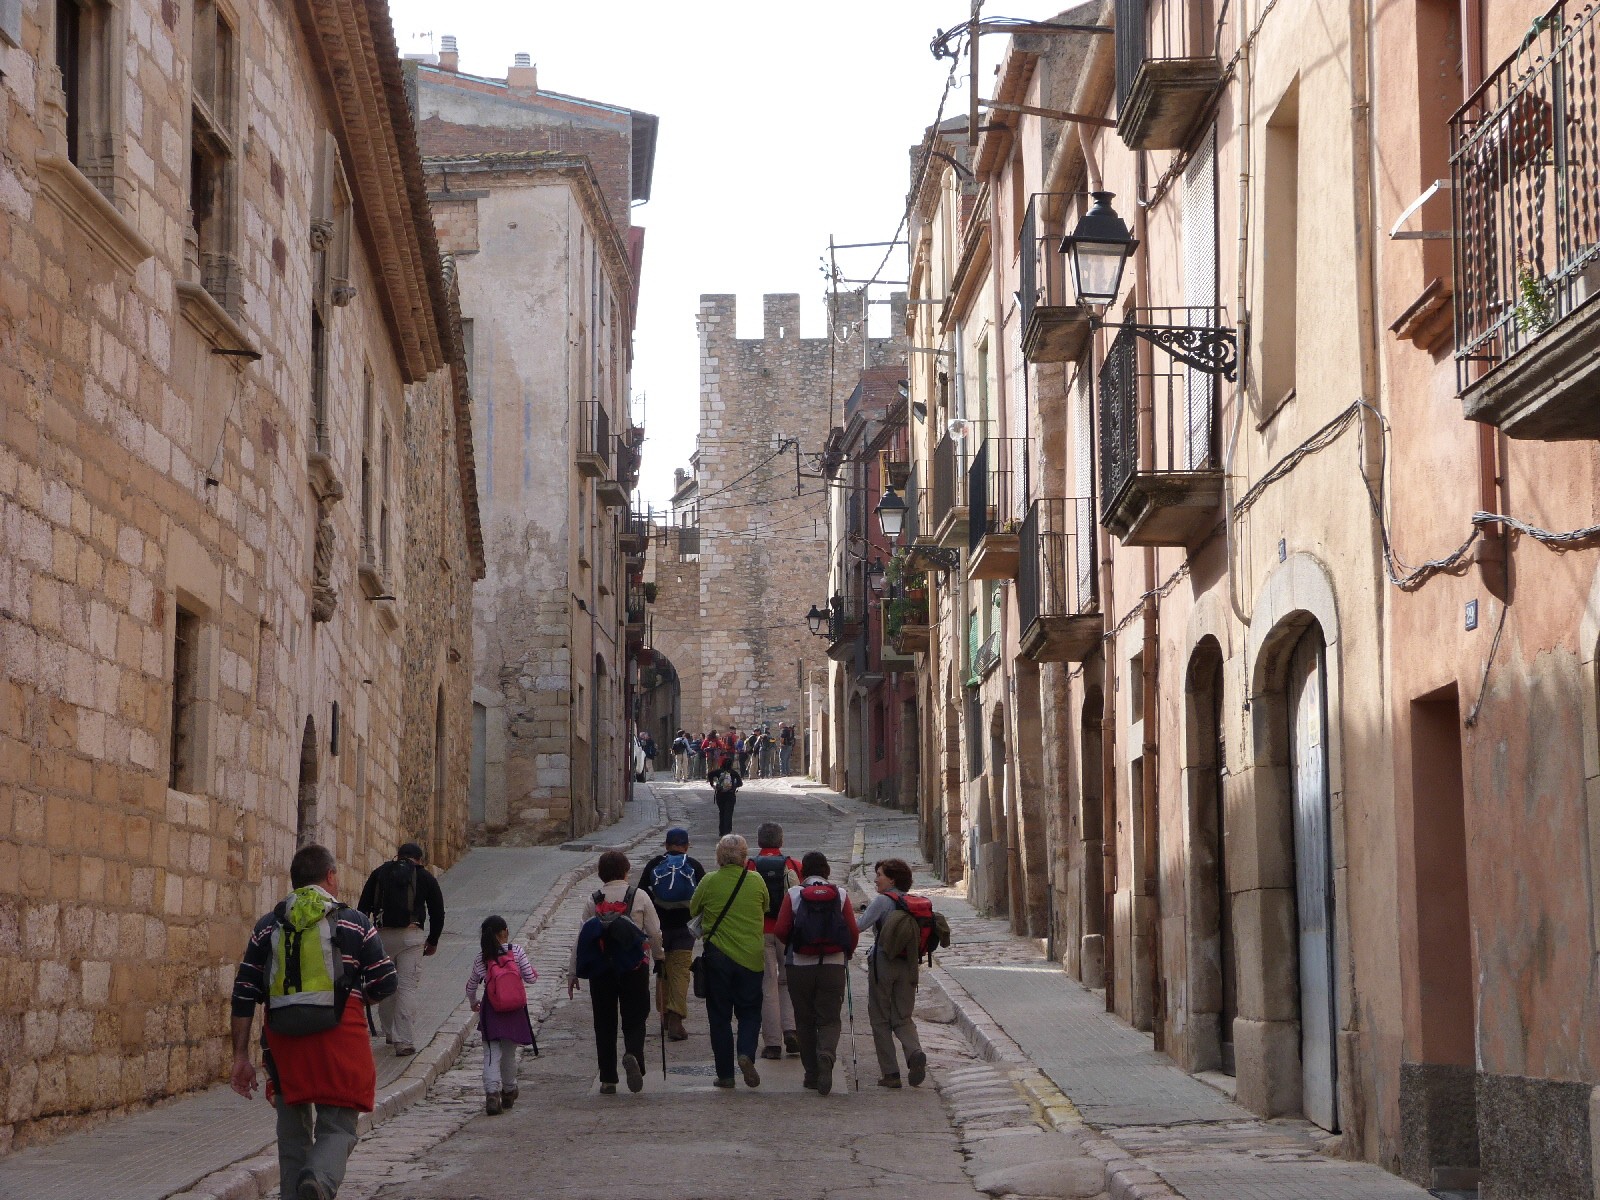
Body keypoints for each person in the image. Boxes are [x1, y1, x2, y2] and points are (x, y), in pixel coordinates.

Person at [229, 843, 397, 1200]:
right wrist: (363, 996)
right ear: (330, 876)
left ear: (294, 881)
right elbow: (386, 980)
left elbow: (244, 991)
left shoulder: (267, 926)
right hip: (340, 1041)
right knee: (338, 1128)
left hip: (284, 1044)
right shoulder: (354, 922)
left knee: (292, 1139)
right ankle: (318, 1180)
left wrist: (240, 1056)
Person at [568, 850, 662, 1094]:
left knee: (604, 1022)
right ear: (626, 870)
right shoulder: (639, 896)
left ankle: (608, 1079)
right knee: (635, 1017)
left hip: (601, 970)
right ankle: (633, 1054)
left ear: (601, 874)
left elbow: (581, 937)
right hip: (634, 967)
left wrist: (572, 972)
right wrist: (660, 958)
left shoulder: (594, 900)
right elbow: (654, 933)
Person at [774, 851, 858, 1095]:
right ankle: (826, 1055)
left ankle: (811, 1074)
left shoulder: (793, 894)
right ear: (827, 871)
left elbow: (780, 930)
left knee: (804, 1020)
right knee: (830, 1018)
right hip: (833, 965)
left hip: (799, 966)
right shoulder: (840, 894)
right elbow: (852, 931)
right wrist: (847, 952)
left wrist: (796, 944)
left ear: (803, 872)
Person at [689, 833, 769, 1089]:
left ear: (719, 857)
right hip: (751, 957)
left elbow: (693, 909)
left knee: (719, 1017)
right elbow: (765, 906)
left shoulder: (709, 881)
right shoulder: (756, 880)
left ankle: (725, 1075)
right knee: (750, 1012)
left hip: (718, 957)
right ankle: (745, 1053)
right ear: (745, 857)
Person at [356, 842, 445, 1056]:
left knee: (386, 982)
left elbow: (362, 908)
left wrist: (363, 941)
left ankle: (388, 1032)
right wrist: (433, 940)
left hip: (381, 937)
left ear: (398, 855)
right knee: (406, 987)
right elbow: (438, 912)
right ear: (419, 859)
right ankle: (403, 1040)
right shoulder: (424, 876)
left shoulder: (379, 873)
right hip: (411, 937)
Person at [855, 858, 928, 1089]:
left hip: (884, 963)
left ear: (892, 880)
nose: (876, 879)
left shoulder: (882, 901)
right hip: (909, 965)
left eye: (880, 875)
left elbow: (858, 927)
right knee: (903, 1016)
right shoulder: (911, 902)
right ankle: (914, 1053)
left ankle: (891, 1073)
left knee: (880, 1018)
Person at [638, 827, 706, 1041]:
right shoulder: (693, 865)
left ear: (666, 846)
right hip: (685, 927)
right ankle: (676, 1016)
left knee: (662, 969)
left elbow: (642, 892)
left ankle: (664, 1014)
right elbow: (704, 895)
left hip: (658, 926)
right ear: (686, 846)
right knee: (680, 971)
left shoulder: (654, 864)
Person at [465, 915, 537, 1114]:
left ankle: (491, 1094)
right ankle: (509, 1089)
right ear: (505, 932)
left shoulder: (481, 958)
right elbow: (530, 978)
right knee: (509, 1053)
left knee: (491, 1052)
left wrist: (473, 1002)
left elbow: (471, 986)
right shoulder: (517, 951)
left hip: (492, 1010)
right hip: (514, 1010)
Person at [746, 823, 800, 1060]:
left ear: (759, 842)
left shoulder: (750, 866)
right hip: (787, 931)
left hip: (760, 930)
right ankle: (791, 1030)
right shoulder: (793, 865)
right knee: (788, 982)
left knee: (767, 985)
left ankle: (772, 1044)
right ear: (781, 841)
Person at [708, 755, 743, 837]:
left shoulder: (718, 772)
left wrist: (712, 784)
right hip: (730, 795)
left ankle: (721, 831)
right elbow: (740, 783)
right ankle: (727, 831)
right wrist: (733, 786)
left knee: (722, 812)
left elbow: (710, 774)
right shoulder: (733, 773)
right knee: (729, 813)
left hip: (720, 795)